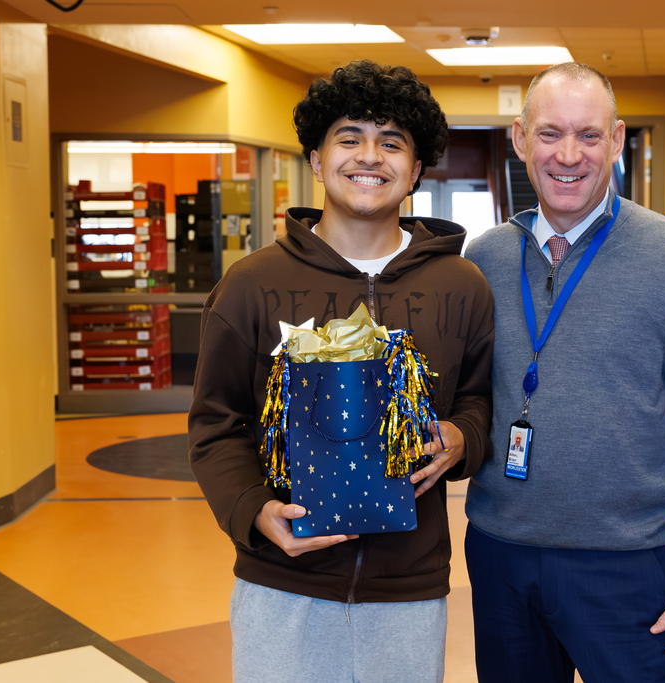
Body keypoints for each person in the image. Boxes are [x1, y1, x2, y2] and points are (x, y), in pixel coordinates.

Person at [188, 59, 493, 683]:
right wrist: (252, 510)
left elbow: (481, 398)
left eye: (392, 143)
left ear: (415, 169)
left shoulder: (461, 286)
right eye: (350, 138)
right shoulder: (251, 286)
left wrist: (466, 436)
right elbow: (215, 424)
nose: (370, 157)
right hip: (282, 585)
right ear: (317, 159)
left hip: (409, 589)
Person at [463, 62, 665, 683]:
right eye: (550, 134)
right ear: (519, 138)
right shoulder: (482, 259)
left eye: (589, 135)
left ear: (617, 141)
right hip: (500, 552)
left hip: (624, 564)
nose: (569, 155)